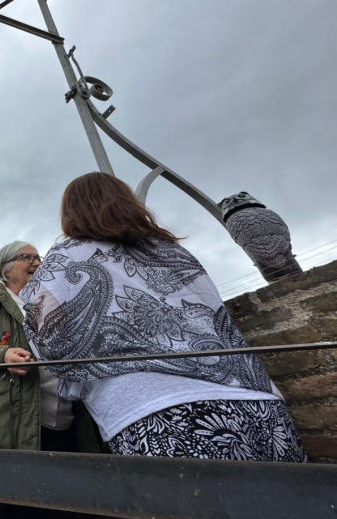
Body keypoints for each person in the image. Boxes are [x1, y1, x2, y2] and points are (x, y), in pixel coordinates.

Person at [21, 172, 307, 462]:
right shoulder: (171, 250)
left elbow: (48, 342)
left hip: (153, 408)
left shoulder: (61, 260)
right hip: (254, 397)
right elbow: (213, 308)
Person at [0, 242, 100, 519]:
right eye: (28, 257)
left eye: (40, 258)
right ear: (6, 268)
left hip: (61, 425)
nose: (37, 262)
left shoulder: (53, 300)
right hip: (7, 427)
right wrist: (1, 355)